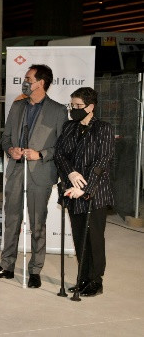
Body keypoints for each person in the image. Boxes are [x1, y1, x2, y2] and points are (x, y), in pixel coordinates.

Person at [0, 64, 67, 288]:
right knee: (11, 220)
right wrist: (11, 150)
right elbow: (5, 137)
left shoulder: (58, 111)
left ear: (41, 82)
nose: (25, 81)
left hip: (40, 173)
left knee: (37, 223)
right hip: (16, 170)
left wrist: (41, 154)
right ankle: (7, 266)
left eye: (29, 78)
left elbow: (63, 146)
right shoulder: (18, 106)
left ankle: (35, 270)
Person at [55, 87, 114, 297]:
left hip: (95, 193)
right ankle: (83, 278)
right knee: (80, 237)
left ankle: (96, 281)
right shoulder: (69, 127)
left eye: (78, 106)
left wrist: (86, 188)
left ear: (90, 107)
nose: (74, 109)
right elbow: (59, 154)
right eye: (72, 105)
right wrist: (70, 174)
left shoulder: (103, 128)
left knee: (94, 238)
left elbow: (102, 160)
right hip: (72, 190)